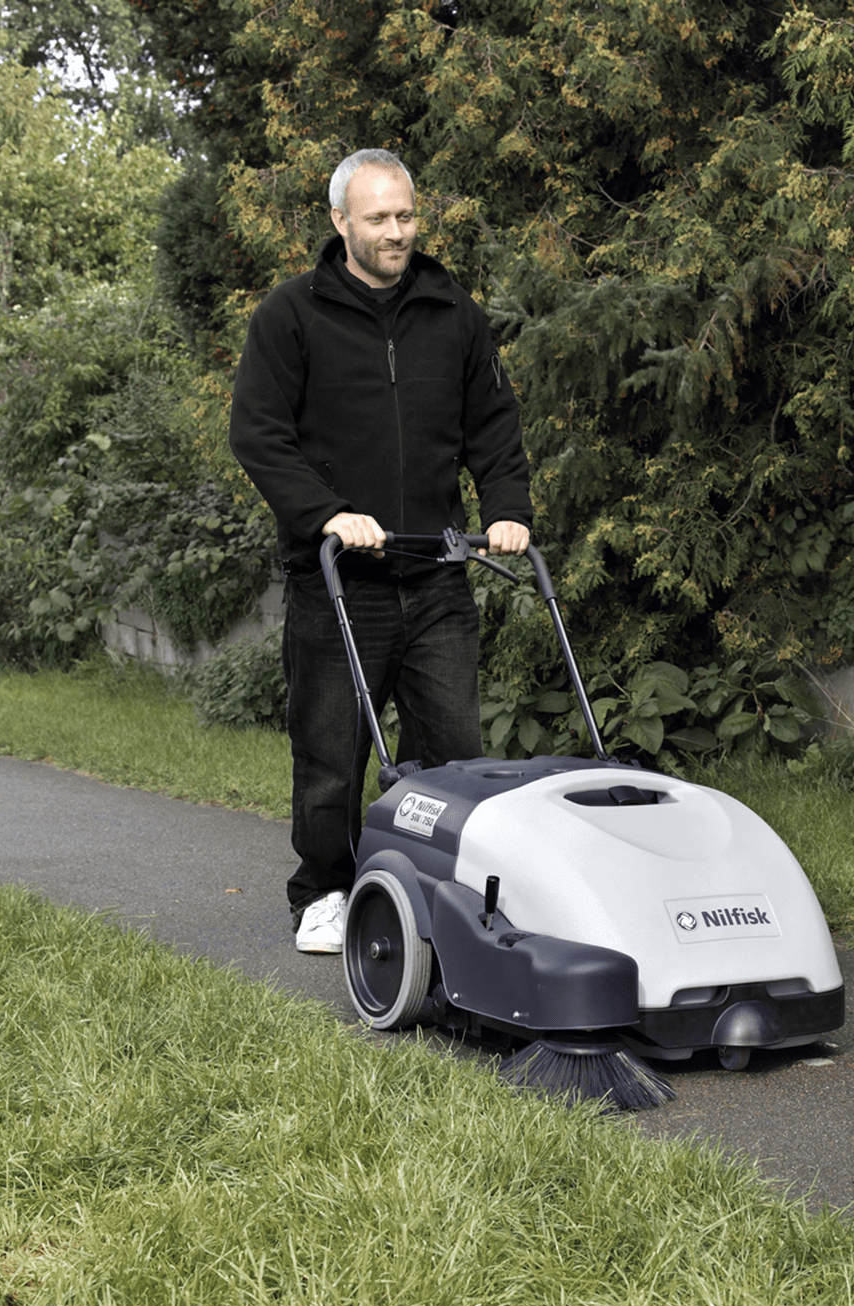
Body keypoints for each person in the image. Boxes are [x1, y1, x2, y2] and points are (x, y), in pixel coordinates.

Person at [229, 147, 532, 954]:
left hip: (436, 574)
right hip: (338, 581)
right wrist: (328, 514)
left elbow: (493, 425)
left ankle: (439, 891)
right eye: (378, 219)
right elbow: (259, 435)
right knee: (331, 751)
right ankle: (324, 892)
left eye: (406, 216)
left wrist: (506, 510)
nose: (396, 232)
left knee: (455, 753)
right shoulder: (292, 316)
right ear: (340, 221)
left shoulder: (452, 312)